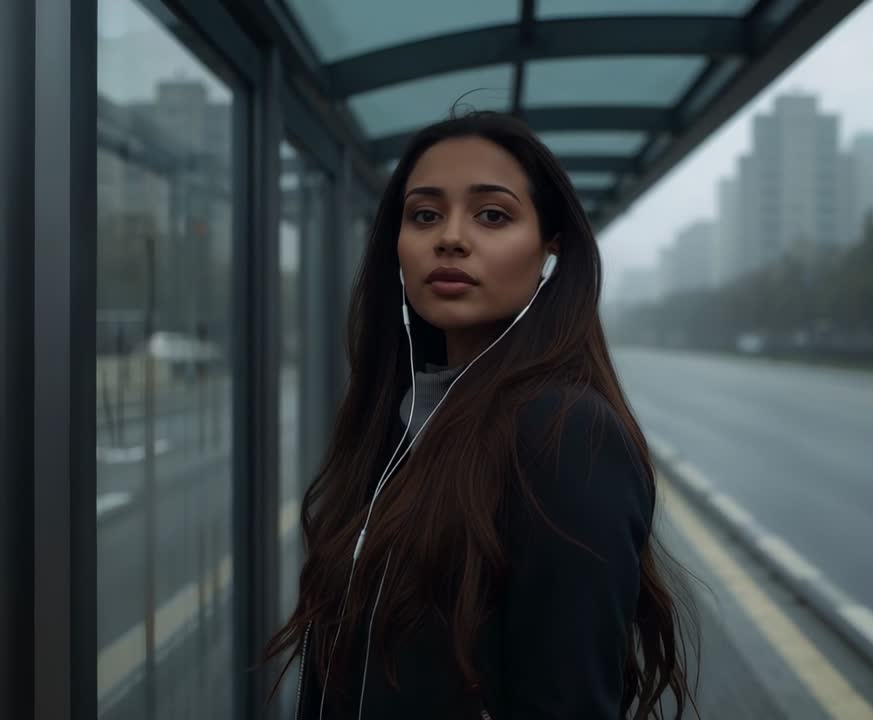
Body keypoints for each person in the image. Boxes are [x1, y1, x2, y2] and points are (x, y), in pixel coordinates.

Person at [262, 110, 697, 719]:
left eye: (492, 215)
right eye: (425, 215)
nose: (451, 237)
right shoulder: (404, 422)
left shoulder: (565, 433)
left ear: (551, 248)